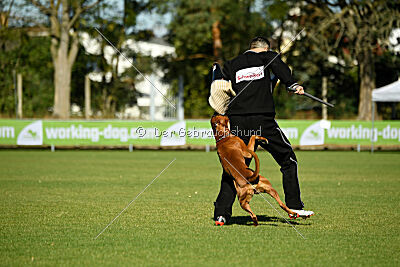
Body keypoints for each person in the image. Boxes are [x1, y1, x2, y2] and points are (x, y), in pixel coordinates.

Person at [213, 36, 314, 226]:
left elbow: (219, 87)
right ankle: (295, 206)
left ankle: (221, 214)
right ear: (265, 49)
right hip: (263, 121)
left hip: (238, 122)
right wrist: (292, 84)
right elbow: (281, 69)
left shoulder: (232, 64)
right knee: (288, 160)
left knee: (235, 170)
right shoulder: (268, 57)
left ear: (250, 48)